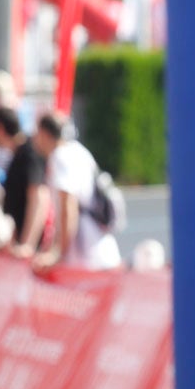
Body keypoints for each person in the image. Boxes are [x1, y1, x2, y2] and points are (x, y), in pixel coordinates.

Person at [30, 112, 121, 271]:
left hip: (85, 254)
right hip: (100, 247)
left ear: (44, 133)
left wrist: (58, 253)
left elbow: (68, 207)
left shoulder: (60, 157)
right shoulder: (78, 151)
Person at [0, 107, 48, 258]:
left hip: (25, 251)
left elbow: (38, 198)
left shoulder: (29, 153)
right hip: (15, 247)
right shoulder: (17, 154)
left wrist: (27, 244)